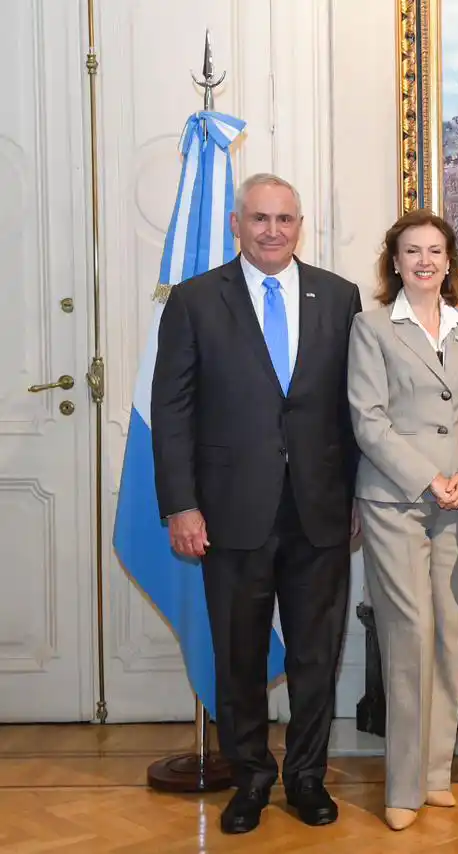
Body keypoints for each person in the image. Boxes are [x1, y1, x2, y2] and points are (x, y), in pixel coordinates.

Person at [151, 173, 362, 834]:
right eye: (260, 218)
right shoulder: (193, 300)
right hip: (229, 512)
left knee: (315, 657)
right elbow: (172, 410)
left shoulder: (338, 295)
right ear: (236, 225)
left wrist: (358, 496)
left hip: (320, 510)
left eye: (285, 219)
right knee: (239, 658)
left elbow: (353, 410)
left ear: (302, 226)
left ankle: (305, 778)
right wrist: (180, 505)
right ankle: (250, 778)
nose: (273, 230)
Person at [346, 209, 458, 830]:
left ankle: (436, 775)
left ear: (449, 260)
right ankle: (401, 785)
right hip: (396, 501)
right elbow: (367, 420)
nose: (425, 261)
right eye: (412, 251)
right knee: (408, 637)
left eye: (435, 251)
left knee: (449, 633)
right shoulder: (371, 327)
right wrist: (428, 477)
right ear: (395, 262)